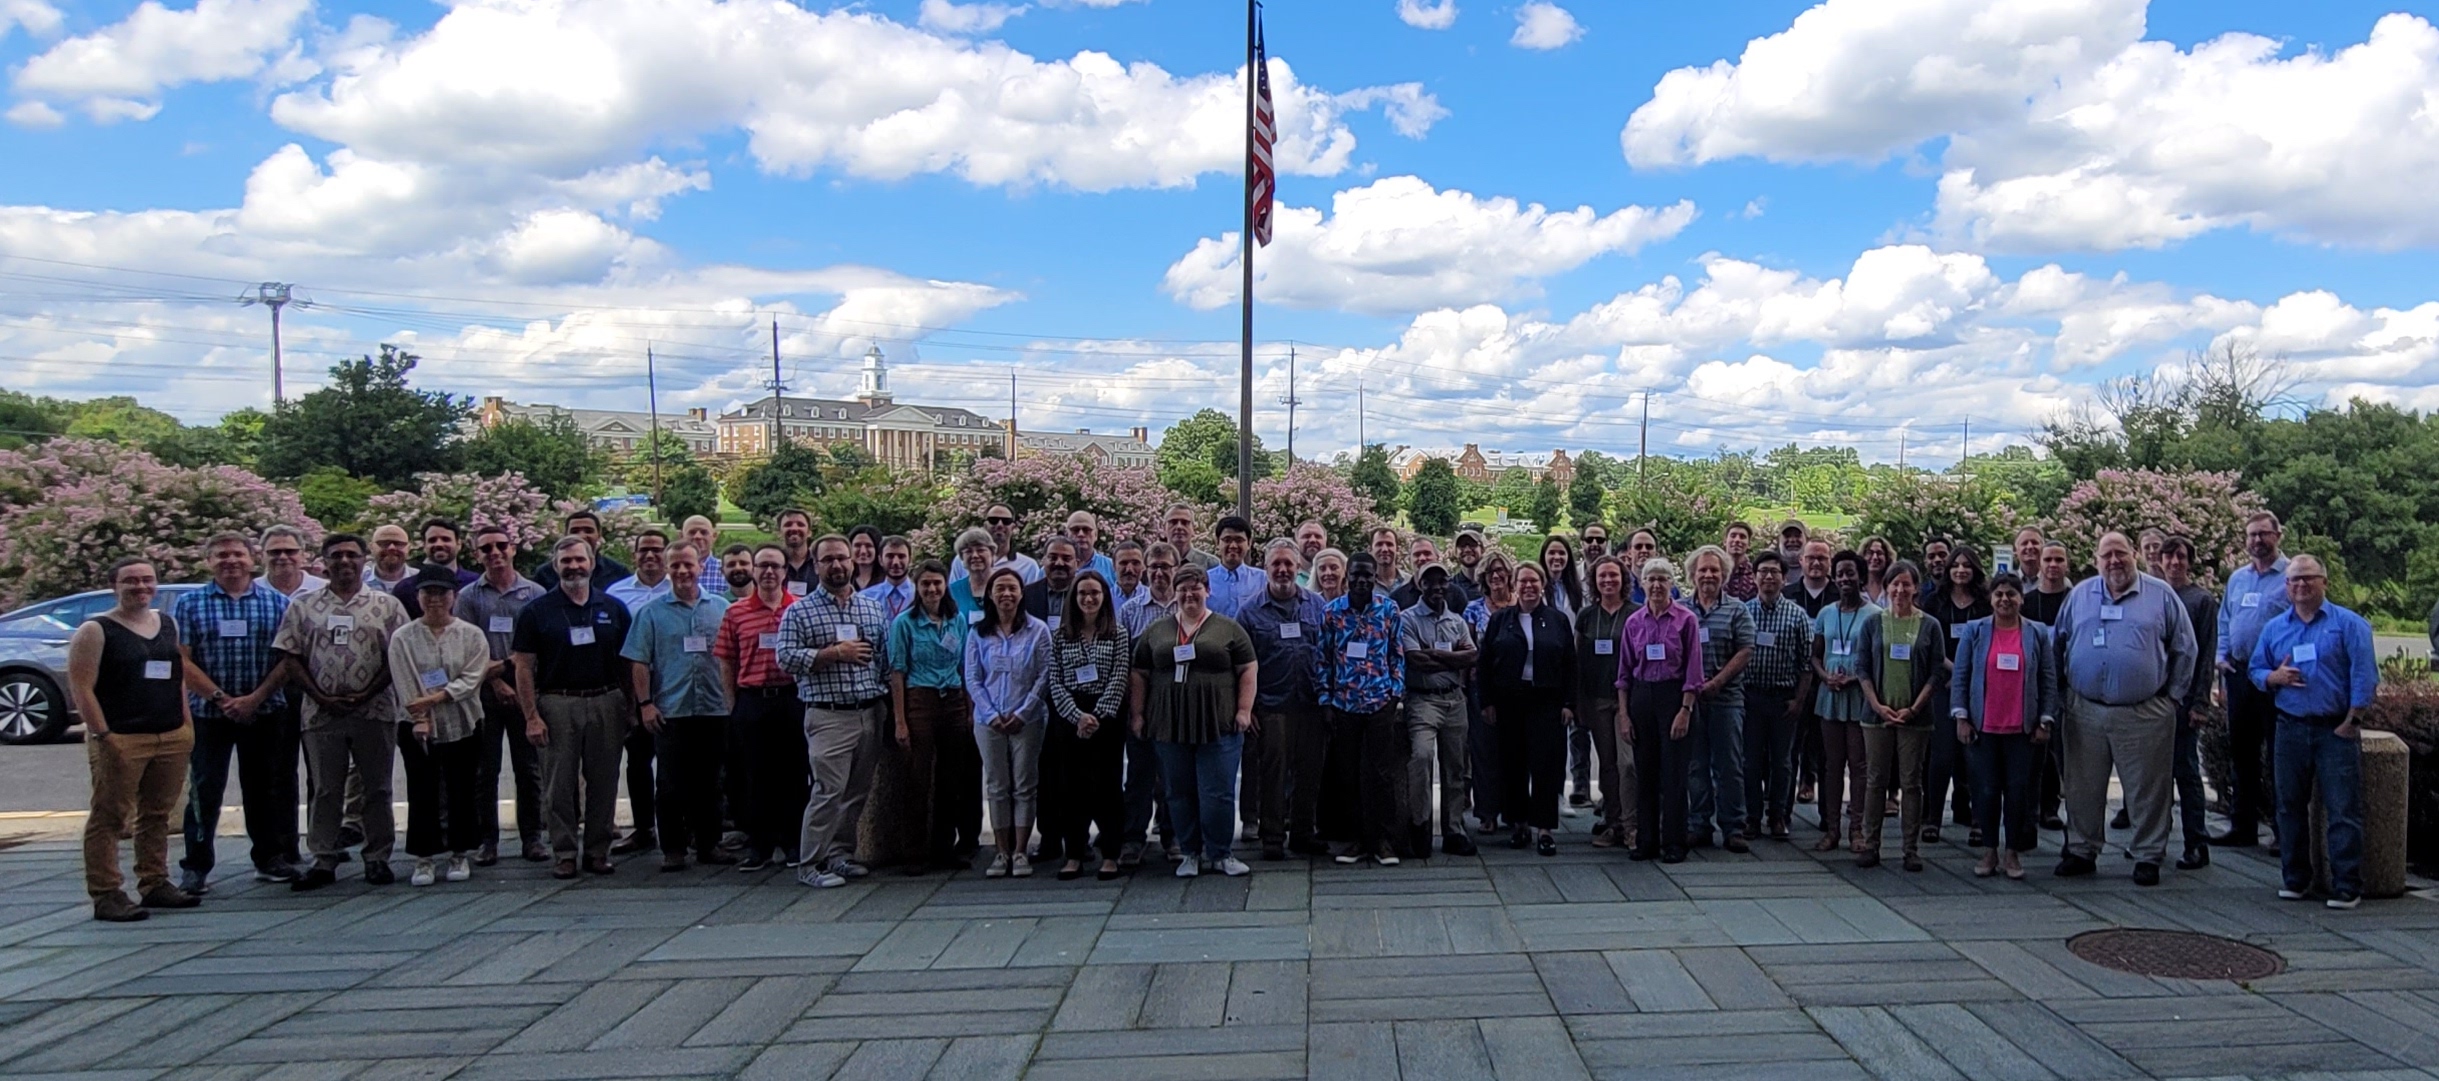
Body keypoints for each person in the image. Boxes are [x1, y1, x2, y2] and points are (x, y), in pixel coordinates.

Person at [2054, 532, 2198, 886]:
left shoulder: (2160, 594)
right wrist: (2062, 694)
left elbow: (2185, 648)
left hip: (2144, 710)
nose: (2114, 561)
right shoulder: (2080, 595)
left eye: (2121, 553)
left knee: (2148, 788)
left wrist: (2173, 697)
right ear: (2096, 559)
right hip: (2085, 709)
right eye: (2107, 556)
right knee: (2081, 786)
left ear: (2134, 554)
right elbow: (2058, 642)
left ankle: (2148, 854)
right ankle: (2082, 850)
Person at [278, 533, 413, 890]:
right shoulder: (303, 606)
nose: (344, 561)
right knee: (325, 789)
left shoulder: (387, 605)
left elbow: (397, 657)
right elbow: (289, 657)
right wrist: (320, 697)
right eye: (336, 555)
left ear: (363, 560)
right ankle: (323, 858)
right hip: (321, 713)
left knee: (378, 788)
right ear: (324, 561)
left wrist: (369, 692)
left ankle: (377, 857)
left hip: (376, 709)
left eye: (352, 555)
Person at [68, 559, 198, 921]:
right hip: (122, 736)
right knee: (110, 816)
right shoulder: (96, 630)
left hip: (170, 734)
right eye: (130, 581)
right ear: (114, 586)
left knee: (157, 814)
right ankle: (107, 892)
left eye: (147, 580)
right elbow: (81, 687)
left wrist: (185, 726)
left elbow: (177, 676)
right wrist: (103, 735)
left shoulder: (166, 623)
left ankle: (154, 882)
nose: (140, 587)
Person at [2249, 554, 2378, 909]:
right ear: (2287, 587)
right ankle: (2295, 879)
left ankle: (2347, 885)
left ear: (2325, 582)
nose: (2301, 585)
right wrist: (2272, 678)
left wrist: (2353, 720)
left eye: (2309, 578)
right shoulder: (2275, 628)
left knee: (2342, 809)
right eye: (2295, 581)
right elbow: (2256, 669)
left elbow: (2364, 674)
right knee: (2288, 806)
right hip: (2289, 728)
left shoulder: (2349, 625)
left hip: (2334, 728)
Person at [172, 533, 296, 892]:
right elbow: (182, 658)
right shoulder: (190, 603)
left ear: (252, 559)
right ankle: (196, 866)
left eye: (238, 554)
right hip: (209, 713)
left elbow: (287, 659)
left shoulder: (277, 603)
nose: (231, 561)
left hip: (264, 710)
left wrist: (254, 698)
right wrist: (220, 698)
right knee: (204, 790)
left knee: (264, 788)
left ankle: (270, 858)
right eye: (221, 555)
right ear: (208, 561)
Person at [512, 535, 636, 879]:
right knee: (559, 784)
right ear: (555, 567)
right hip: (557, 702)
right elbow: (523, 666)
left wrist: (631, 705)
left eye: (580, 560)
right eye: (566, 561)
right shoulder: (537, 611)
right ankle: (564, 852)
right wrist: (531, 716)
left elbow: (628, 661)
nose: (574, 567)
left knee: (604, 781)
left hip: (606, 700)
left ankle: (597, 851)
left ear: (592, 563)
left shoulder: (613, 609)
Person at [775, 535, 891, 889]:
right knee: (828, 791)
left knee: (856, 791)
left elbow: (884, 658)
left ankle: (840, 854)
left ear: (853, 562)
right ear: (816, 564)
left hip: (869, 711)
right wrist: (832, 654)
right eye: (828, 560)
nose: (837, 565)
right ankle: (810, 863)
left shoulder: (872, 608)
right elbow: (785, 658)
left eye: (842, 558)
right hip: (828, 715)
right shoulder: (799, 611)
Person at [1129, 565, 1257, 878]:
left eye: (1196, 588)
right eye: (1183, 589)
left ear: (1207, 591)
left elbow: (1248, 669)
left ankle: (1220, 853)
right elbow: (1139, 674)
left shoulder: (1228, 628)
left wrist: (1244, 710)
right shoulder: (1157, 631)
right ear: (1175, 594)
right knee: (1178, 790)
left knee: (1218, 791)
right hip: (1170, 724)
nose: (1189, 594)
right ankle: (1190, 852)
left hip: (1218, 722)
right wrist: (1138, 714)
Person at [621, 544, 733, 872]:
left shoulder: (722, 608)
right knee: (670, 784)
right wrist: (645, 704)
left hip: (714, 709)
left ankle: (710, 843)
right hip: (672, 709)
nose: (682, 572)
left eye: (688, 565)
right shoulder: (651, 612)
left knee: (711, 782)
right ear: (668, 570)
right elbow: (639, 661)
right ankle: (673, 849)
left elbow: (732, 657)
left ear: (700, 567)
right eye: (675, 567)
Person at [388, 567, 491, 887]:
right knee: (423, 788)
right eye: (428, 594)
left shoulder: (471, 634)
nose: (435, 600)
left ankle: (460, 852)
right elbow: (404, 678)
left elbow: (473, 677)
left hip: (463, 719)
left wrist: (439, 697)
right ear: (418, 597)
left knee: (462, 787)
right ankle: (424, 856)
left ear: (453, 597)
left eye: (442, 594)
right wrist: (420, 716)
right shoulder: (403, 637)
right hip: (416, 723)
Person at [1952, 572, 2057, 880]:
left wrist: (2045, 720)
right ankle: (1989, 850)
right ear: (1991, 598)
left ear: (2021, 598)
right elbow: (1961, 675)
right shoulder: (1975, 631)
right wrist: (1960, 716)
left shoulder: (2036, 633)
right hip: (1983, 727)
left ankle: (2012, 851)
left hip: (2022, 729)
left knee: (2018, 792)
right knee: (1985, 791)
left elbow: (2048, 680)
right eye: (1999, 594)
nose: (2005, 600)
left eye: (2011, 594)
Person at [456, 527, 549, 864]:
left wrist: (516, 676)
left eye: (500, 546)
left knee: (529, 768)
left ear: (513, 549)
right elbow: (465, 648)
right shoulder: (468, 596)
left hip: (526, 690)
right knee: (485, 770)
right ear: (476, 554)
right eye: (486, 548)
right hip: (483, 691)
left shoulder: (536, 593)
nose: (494, 552)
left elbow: (542, 645)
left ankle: (532, 838)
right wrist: (496, 681)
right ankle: (488, 841)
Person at [715, 544, 806, 871]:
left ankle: (794, 843)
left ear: (785, 572)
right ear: (754, 570)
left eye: (776, 567)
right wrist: (732, 703)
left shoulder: (799, 608)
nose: (769, 572)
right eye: (763, 565)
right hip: (752, 700)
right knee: (754, 775)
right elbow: (726, 658)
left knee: (795, 773)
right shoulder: (735, 612)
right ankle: (760, 846)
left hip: (792, 698)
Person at [885, 560, 979, 872]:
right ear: (917, 587)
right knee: (918, 777)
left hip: (952, 700)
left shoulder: (956, 620)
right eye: (925, 584)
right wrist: (900, 720)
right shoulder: (904, 623)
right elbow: (897, 671)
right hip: (919, 700)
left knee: (951, 779)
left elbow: (965, 666)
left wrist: (969, 708)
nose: (932, 589)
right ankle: (914, 851)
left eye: (937, 583)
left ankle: (944, 848)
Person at [1855, 561, 1946, 872]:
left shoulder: (1930, 625)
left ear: (1915, 588)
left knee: (1911, 782)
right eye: (1894, 584)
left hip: (1915, 716)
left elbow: (1936, 672)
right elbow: (1863, 668)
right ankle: (1871, 844)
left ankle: (1910, 849)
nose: (1900, 590)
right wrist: (1877, 705)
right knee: (1875, 780)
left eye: (1906, 584)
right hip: (1876, 713)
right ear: (1886, 587)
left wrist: (1915, 708)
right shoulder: (1872, 623)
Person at [1318, 553, 1408, 865]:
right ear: (1347, 576)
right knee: (1348, 774)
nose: (1361, 581)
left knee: (1381, 774)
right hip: (1344, 704)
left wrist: (1395, 693)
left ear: (1374, 577)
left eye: (1367, 575)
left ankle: (1382, 840)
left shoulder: (1388, 609)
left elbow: (1397, 654)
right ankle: (1355, 839)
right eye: (1356, 575)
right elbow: (1323, 659)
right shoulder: (1331, 613)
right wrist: (1325, 701)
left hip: (1380, 703)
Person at [1482, 562, 1575, 857]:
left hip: (1546, 701)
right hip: (1510, 701)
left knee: (1545, 765)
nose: (1528, 586)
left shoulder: (1557, 620)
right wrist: (1487, 702)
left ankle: (1544, 829)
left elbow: (1571, 664)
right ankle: (1519, 824)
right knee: (1513, 764)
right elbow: (1484, 663)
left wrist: (1569, 704)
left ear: (1543, 584)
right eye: (1522, 581)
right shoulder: (1500, 620)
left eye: (1534, 581)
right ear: (1514, 585)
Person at [1239, 540, 1323, 861]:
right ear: (1266, 568)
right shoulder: (1249, 612)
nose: (1283, 570)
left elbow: (1327, 654)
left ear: (1299, 567)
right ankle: (1272, 836)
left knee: (1309, 772)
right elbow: (1242, 664)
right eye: (1276, 564)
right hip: (1271, 705)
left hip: (1312, 703)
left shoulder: (1316, 606)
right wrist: (1250, 706)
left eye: (1289, 563)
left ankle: (1303, 832)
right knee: (1272, 773)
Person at [965, 567, 1050, 878]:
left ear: (1021, 592)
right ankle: (1001, 852)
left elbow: (1044, 675)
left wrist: (1023, 712)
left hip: (1027, 720)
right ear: (990, 594)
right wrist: (990, 714)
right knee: (997, 786)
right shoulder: (977, 631)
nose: (1006, 594)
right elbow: (973, 678)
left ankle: (1021, 851)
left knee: (1025, 785)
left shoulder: (1038, 630)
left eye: (1012, 588)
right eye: (1000, 588)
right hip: (989, 722)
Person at [1618, 557, 1702, 864]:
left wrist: (1685, 710)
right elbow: (1624, 672)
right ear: (1642, 584)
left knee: (1675, 775)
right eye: (1650, 579)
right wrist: (1625, 715)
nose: (1656, 585)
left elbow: (1694, 670)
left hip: (1674, 697)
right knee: (1646, 773)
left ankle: (1675, 842)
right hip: (1641, 697)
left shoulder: (1686, 619)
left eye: (1662, 579)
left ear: (1672, 584)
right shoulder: (1633, 622)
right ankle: (1646, 840)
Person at [1047, 571, 1130, 880]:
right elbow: (1054, 680)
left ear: (1104, 597)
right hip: (1070, 718)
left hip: (1106, 717)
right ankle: (1074, 854)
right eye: (1082, 593)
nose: (1089, 598)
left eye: (1094, 593)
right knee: (1071, 786)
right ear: (1074, 598)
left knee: (1107, 785)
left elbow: (1120, 675)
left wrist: (1096, 715)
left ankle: (1111, 853)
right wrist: (1076, 716)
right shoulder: (1061, 635)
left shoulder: (1118, 633)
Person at [2216, 510, 2291, 851]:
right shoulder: (2238, 579)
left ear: (2279, 535)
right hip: (2239, 674)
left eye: (2263, 534)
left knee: (2279, 756)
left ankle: (2282, 830)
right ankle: (2242, 827)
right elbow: (2225, 620)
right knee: (2241, 754)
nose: (2257, 541)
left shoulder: (2293, 576)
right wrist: (2220, 658)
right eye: (2251, 535)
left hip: (2276, 678)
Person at [602, 528, 672, 856]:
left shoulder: (684, 589)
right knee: (638, 762)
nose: (650, 556)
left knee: (677, 764)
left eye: (657, 550)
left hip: (675, 686)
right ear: (634, 555)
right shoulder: (615, 595)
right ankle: (644, 828)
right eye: (644, 550)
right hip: (634, 689)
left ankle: (680, 827)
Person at [1400, 563, 1478, 857]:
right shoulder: (1407, 619)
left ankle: (1454, 830)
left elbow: (1471, 656)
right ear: (1419, 585)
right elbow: (1415, 660)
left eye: (1442, 581)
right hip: (1422, 699)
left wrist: (1434, 653)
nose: (1437, 587)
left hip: (1454, 699)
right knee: (1421, 757)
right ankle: (1420, 826)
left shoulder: (1457, 621)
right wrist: (1451, 657)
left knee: (1455, 767)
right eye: (1429, 582)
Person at [1684, 546, 1755, 853]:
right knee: (1695, 765)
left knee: (1729, 765)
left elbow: (1746, 650)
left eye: (1714, 570)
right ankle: (1699, 824)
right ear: (1692, 575)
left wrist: (1717, 682)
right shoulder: (1681, 610)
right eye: (1703, 570)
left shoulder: (1738, 609)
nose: (1708, 575)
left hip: (1727, 699)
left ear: (1724, 575)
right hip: (1691, 702)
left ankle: (1733, 826)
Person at [1118, 543, 1185, 865]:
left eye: (1166, 567)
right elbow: (1126, 666)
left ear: (1176, 568)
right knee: (1140, 776)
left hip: (1176, 706)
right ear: (1146, 569)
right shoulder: (1131, 611)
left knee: (1172, 775)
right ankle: (1133, 838)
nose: (1160, 573)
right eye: (1154, 567)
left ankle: (1172, 836)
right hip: (1142, 705)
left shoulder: (1185, 606)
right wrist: (1135, 711)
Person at [1921, 547, 1992, 845]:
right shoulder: (1935, 602)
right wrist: (1955, 673)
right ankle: (1932, 819)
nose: (1960, 570)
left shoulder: (1985, 604)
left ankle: (1979, 820)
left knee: (1975, 757)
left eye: (1966, 565)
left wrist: (1966, 677)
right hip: (1943, 685)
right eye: (1955, 565)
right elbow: (1929, 646)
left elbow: (1992, 645)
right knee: (1941, 757)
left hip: (1979, 687)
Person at [2159, 535, 2220, 870]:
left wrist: (2199, 703)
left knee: (2186, 772)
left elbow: (2206, 654)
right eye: (2168, 557)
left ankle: (2196, 841)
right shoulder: (2152, 594)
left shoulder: (2201, 601)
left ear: (2189, 561)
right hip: (2154, 700)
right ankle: (2155, 838)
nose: (2174, 563)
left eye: (2180, 557)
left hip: (2184, 702)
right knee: (2155, 777)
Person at [1743, 551, 1813, 843]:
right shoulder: (1743, 611)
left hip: (1784, 698)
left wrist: (1798, 700)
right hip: (1750, 697)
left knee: (1782, 762)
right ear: (1755, 576)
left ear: (1785, 579)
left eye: (1774, 572)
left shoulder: (1798, 616)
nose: (1768, 577)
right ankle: (1752, 817)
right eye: (1763, 571)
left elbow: (1806, 664)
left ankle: (1779, 816)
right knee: (1749, 761)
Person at [1811, 550, 1878, 854]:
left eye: (1850, 573)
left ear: (1861, 577)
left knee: (1859, 765)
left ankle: (1857, 830)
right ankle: (1832, 828)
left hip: (1859, 694)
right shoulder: (1826, 613)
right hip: (1830, 696)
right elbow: (1815, 653)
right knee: (1831, 765)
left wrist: (1853, 679)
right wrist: (1825, 676)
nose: (1845, 579)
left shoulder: (1874, 614)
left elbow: (1878, 659)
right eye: (1839, 573)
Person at [1572, 556, 1633, 848]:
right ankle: (1613, 823)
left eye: (1613, 576)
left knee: (1628, 764)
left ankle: (1633, 823)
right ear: (1594, 582)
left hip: (1629, 701)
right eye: (1601, 577)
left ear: (1623, 579)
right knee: (1607, 765)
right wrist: (1578, 702)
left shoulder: (1636, 613)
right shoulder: (1586, 616)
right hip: (1595, 699)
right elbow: (1578, 661)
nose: (1608, 581)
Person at [1463, 551, 1517, 834]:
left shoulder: (1523, 605)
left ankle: (1514, 810)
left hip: (1518, 690)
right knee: (1484, 752)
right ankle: (1487, 813)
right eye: (1490, 573)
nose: (1496, 577)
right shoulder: (1473, 609)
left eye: (1500, 571)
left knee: (1515, 751)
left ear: (1510, 575)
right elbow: (1468, 648)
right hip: (1482, 687)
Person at [390, 518, 479, 609]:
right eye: (432, 540)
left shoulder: (476, 584)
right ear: (424, 546)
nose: (439, 544)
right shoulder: (405, 589)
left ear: (459, 544)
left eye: (446, 539)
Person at [531, 510, 631, 591]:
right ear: (566, 534)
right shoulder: (545, 573)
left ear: (599, 534)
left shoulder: (618, 572)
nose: (582, 535)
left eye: (588, 531)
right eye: (575, 531)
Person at [951, 504, 1044, 586]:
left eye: (1006, 521)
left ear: (1013, 527)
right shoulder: (961, 560)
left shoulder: (1028, 566)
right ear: (985, 525)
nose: (1000, 524)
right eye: (993, 520)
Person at [1205, 516, 1262, 620]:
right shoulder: (1204, 580)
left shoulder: (1263, 580)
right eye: (1227, 540)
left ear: (1249, 543)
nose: (1233, 545)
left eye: (1239, 540)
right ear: (1217, 542)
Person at [1022, 537, 1080, 630]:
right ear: (1043, 561)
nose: (1059, 563)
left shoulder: (1084, 594)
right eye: (1053, 558)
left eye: (1066, 558)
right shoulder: (1027, 594)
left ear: (1077, 564)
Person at [256, 525, 327, 597]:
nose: (283, 557)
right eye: (275, 552)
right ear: (262, 556)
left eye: (290, 551)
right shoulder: (250, 590)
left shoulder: (324, 589)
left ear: (302, 555)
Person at [859, 535, 916, 623]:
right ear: (880, 560)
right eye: (890, 556)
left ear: (910, 560)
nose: (896, 562)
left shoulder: (920, 596)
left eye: (901, 556)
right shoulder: (864, 598)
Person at [949, 527, 997, 616]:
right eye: (968, 551)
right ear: (962, 557)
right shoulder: (952, 591)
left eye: (980, 550)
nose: (975, 555)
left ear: (992, 553)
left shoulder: (1005, 586)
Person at [1064, 511, 1119, 584]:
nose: (1081, 534)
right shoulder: (1053, 568)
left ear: (1096, 535)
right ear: (1066, 534)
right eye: (1075, 530)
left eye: (1086, 530)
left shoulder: (1112, 568)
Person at [682, 516, 728, 597]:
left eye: (704, 532)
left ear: (714, 536)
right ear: (681, 536)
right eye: (692, 532)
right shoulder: (671, 570)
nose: (698, 536)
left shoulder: (726, 569)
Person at [1167, 504, 1223, 570]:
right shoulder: (1154, 564)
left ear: (1194, 529)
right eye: (1173, 522)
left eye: (1185, 522)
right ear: (1163, 528)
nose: (1179, 527)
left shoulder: (1211, 564)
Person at [776, 509, 819, 596]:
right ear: (779, 533)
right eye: (788, 525)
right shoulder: (772, 565)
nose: (794, 528)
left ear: (809, 532)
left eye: (800, 524)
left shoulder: (820, 562)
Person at [1541, 535, 1583, 619]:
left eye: (1562, 553)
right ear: (1544, 556)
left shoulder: (1576, 588)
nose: (1557, 557)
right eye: (1551, 553)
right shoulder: (1538, 588)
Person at [365, 524, 415, 592]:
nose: (391, 548)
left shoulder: (420, 580)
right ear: (371, 547)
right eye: (384, 543)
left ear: (408, 548)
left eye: (398, 543)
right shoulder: (356, 582)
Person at [1722, 522, 1759, 602]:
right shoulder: (1714, 571)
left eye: (1742, 537)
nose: (1737, 540)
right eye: (1733, 536)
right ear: (1725, 541)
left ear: (1749, 544)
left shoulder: (1755, 574)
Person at [1859, 537, 1895, 607]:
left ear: (1887, 558)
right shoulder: (1857, 590)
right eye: (1870, 553)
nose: (1875, 557)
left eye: (1879, 553)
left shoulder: (1893, 589)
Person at [847, 525, 885, 592]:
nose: (863, 551)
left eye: (868, 546)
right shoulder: (844, 579)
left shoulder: (887, 580)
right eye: (857, 545)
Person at [1113, 541, 1149, 609]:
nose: (1129, 569)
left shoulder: (1151, 598)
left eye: (1135, 563)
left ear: (1144, 566)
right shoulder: (1104, 598)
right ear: (1114, 566)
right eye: (1123, 563)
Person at [1368, 528, 1404, 594]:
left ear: (1397, 549)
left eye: (1389, 544)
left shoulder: (1409, 582)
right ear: (1370, 550)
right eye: (1379, 544)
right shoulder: (1364, 584)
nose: (1385, 549)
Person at [1451, 530, 1486, 595]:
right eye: (1462, 545)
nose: (1467, 550)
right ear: (1455, 552)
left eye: (1472, 544)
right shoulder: (1450, 586)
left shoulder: (1491, 583)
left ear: (1482, 549)